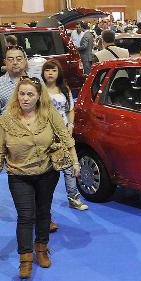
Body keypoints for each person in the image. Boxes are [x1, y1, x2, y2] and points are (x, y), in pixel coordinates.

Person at [0, 77, 79, 278]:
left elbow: (66, 137)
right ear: (16, 95)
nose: (25, 98)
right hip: (19, 175)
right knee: (26, 216)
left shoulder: (48, 114)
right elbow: (0, 150)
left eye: (30, 94)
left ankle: (41, 248)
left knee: (43, 212)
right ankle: (25, 259)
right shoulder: (6, 119)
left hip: (47, 173)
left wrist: (75, 162)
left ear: (38, 96)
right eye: (21, 94)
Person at [41, 59, 88, 211]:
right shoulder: (39, 90)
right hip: (45, 135)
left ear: (58, 72)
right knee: (48, 172)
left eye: (53, 70)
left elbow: (70, 110)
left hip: (63, 132)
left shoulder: (64, 89)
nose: (50, 73)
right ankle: (44, 205)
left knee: (70, 167)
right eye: (47, 70)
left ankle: (74, 199)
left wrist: (71, 125)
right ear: (43, 72)